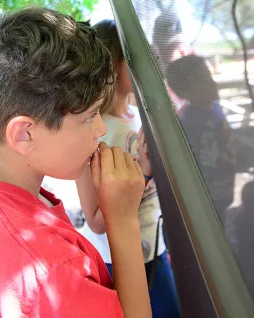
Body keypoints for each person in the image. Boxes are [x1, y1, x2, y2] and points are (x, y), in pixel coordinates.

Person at [0, 7, 152, 317]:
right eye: (89, 117)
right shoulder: (52, 270)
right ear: (24, 135)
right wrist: (123, 221)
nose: (100, 130)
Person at [76, 20, 180, 318]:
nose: (144, 68)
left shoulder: (139, 115)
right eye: (132, 60)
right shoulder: (95, 131)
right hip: (115, 258)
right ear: (111, 65)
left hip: (154, 246)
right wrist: (145, 170)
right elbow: (96, 220)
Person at [166, 55, 235, 220]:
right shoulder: (191, 121)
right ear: (185, 92)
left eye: (210, 77)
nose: (213, 83)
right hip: (209, 195)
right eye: (204, 81)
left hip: (223, 187)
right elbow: (211, 157)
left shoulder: (215, 108)